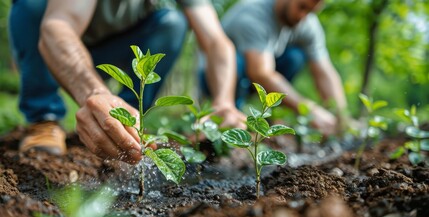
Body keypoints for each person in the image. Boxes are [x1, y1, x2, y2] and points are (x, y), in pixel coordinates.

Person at [8, 0, 246, 164]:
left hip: (115, 46)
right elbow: (57, 27)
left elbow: (217, 42)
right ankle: (44, 118)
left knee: (172, 23)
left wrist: (224, 100)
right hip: (62, 49)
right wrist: (94, 92)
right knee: (32, 5)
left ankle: (127, 125)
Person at [220, 0, 349, 136]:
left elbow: (324, 71)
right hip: (218, 78)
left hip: (257, 77)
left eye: (310, 11)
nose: (302, 16)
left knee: (295, 57)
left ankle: (275, 116)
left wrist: (342, 118)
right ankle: (233, 122)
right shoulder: (253, 15)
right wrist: (309, 109)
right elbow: (260, 73)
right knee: (236, 62)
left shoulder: (307, 23)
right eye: (302, 7)